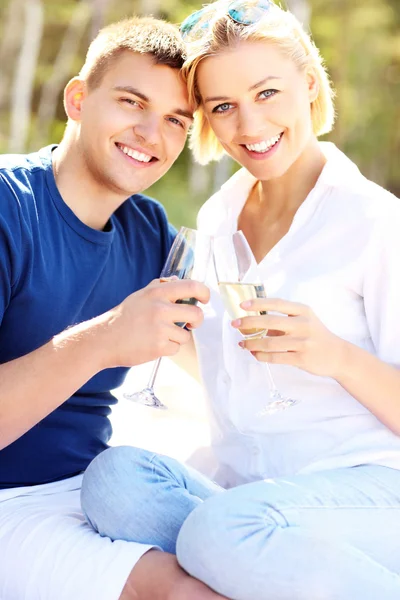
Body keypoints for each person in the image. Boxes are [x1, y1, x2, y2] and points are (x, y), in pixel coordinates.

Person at [80, 1, 400, 599]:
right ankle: (272, 570)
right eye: (222, 106)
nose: (249, 125)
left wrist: (335, 356)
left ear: (308, 83)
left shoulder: (375, 221)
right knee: (114, 481)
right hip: (252, 488)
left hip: (370, 492)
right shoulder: (218, 216)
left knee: (222, 531)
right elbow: (234, 377)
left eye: (267, 92)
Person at [0, 15, 229, 600]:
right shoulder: (8, 208)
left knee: (252, 550)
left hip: (92, 489)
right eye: (132, 103)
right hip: (9, 502)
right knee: (185, 591)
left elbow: (219, 367)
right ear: (78, 100)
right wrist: (104, 338)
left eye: (176, 121)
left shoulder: (148, 229)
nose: (151, 134)